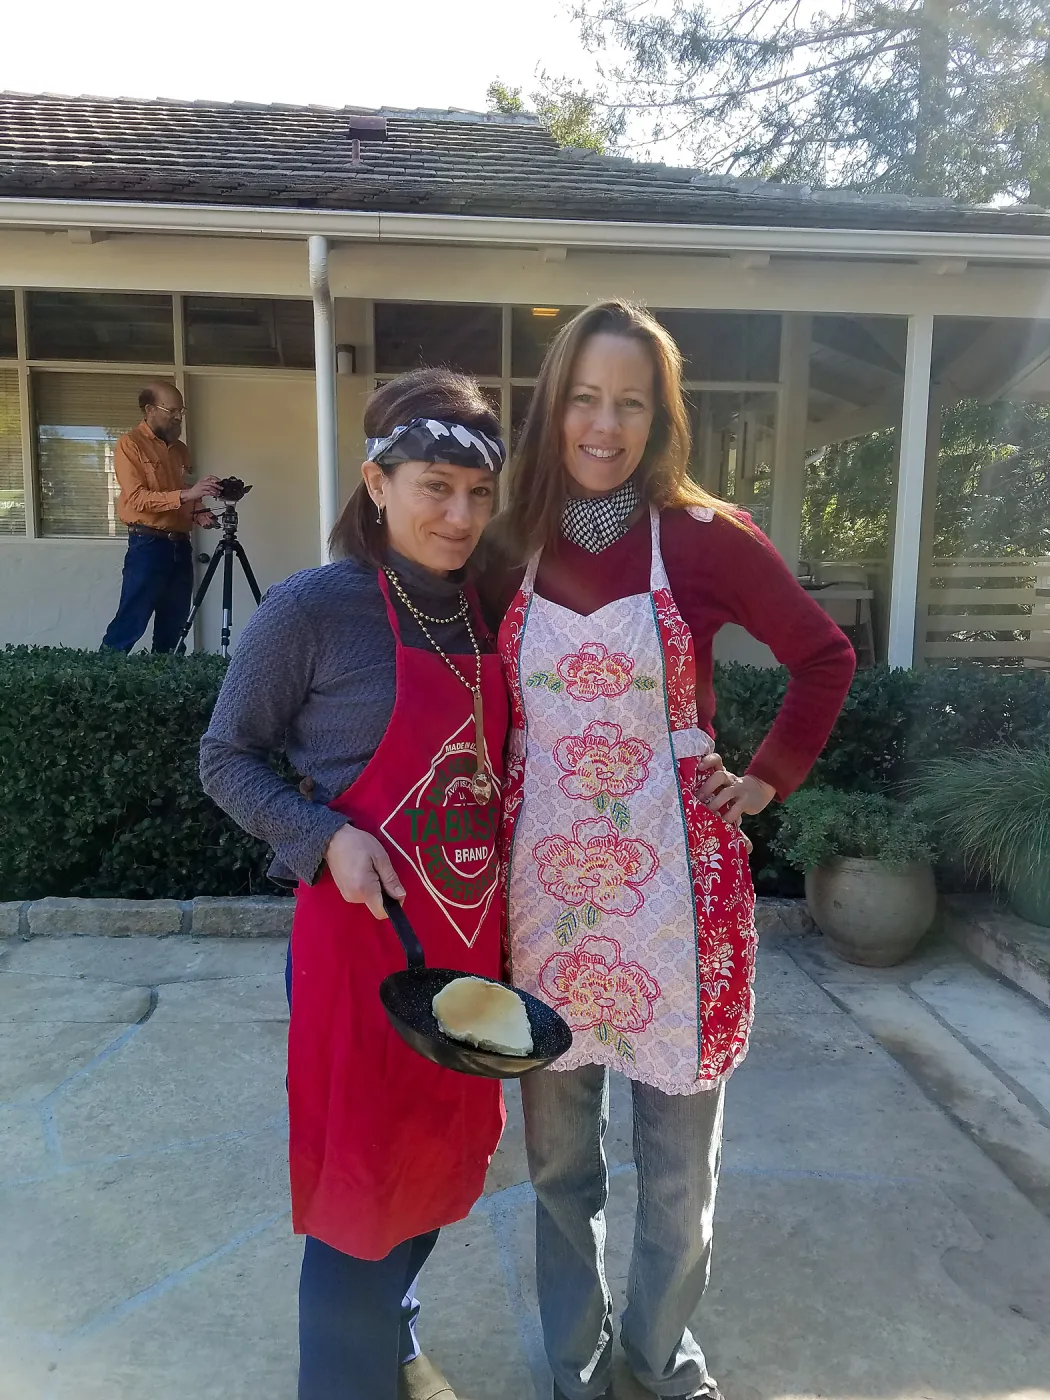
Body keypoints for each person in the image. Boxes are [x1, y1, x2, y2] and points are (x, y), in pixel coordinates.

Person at [486, 302, 856, 1400]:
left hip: (677, 906)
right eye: (586, 398)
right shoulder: (507, 538)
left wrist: (767, 776)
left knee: (678, 1170)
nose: (605, 424)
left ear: (661, 415)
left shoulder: (702, 535)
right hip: (543, 899)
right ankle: (573, 1361)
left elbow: (822, 655)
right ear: (554, 404)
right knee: (558, 1165)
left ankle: (655, 1362)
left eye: (631, 402)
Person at [200, 368, 510, 1400]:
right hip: (358, 953)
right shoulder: (314, 608)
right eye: (434, 485)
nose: (458, 515)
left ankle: (394, 1328)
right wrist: (321, 832)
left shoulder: (496, 611)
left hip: (470, 948)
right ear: (377, 484)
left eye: (476, 494)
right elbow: (226, 755)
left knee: (432, 1176)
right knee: (358, 1200)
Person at [101, 381, 221, 653]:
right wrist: (186, 496)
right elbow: (137, 499)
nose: (178, 417)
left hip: (180, 544)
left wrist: (199, 512)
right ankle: (98, 687)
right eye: (172, 411)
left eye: (181, 411)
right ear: (150, 410)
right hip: (148, 545)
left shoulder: (180, 450)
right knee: (131, 621)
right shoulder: (130, 445)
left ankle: (168, 690)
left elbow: (187, 491)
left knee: (175, 626)